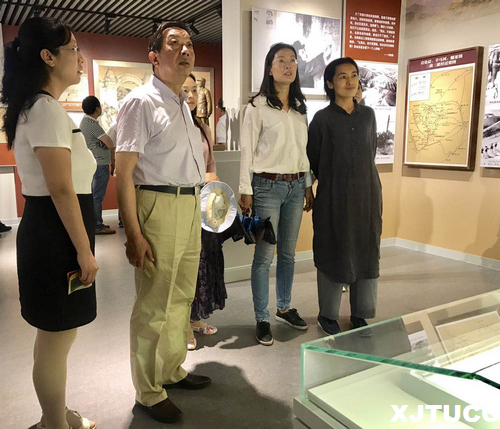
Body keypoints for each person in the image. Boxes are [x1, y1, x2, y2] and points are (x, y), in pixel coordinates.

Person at [1, 17, 98, 429]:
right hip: (56, 234)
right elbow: (60, 188)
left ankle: (52, 417)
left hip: (50, 229)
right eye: (74, 49)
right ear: (48, 56)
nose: (80, 58)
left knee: (53, 337)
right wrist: (84, 251)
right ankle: (54, 424)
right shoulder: (44, 109)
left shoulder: (38, 107)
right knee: (56, 339)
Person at [115, 21, 211, 424]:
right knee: (154, 302)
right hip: (157, 204)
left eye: (189, 44)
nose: (185, 50)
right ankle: (148, 392)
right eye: (174, 44)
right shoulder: (141, 102)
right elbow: (123, 172)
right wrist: (133, 233)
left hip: (189, 205)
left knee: (181, 296)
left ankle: (171, 370)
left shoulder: (180, 102)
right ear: (154, 56)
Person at [239, 43, 314, 346]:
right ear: (270, 68)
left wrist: (308, 184)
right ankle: (262, 317)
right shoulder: (257, 107)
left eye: (292, 60)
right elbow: (247, 151)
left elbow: (303, 152)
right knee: (264, 255)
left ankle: (284, 307)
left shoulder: (299, 108)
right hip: (266, 187)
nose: (288, 65)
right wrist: (245, 190)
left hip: (296, 186)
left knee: (288, 254)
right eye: (281, 60)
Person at [307, 57, 382, 336]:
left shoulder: (369, 115)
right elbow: (314, 158)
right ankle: (327, 314)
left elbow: (370, 151)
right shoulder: (321, 119)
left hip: (367, 195)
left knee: (366, 250)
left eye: (354, 75)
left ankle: (360, 313)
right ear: (330, 83)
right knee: (332, 248)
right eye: (342, 76)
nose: (350, 81)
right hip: (333, 196)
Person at [182, 74, 226, 351]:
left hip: (204, 201)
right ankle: (182, 324)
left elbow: (211, 164)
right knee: (186, 264)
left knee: (203, 261)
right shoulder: (172, 125)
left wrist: (214, 187)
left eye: (193, 90)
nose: (190, 95)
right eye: (184, 90)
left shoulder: (202, 127)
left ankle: (194, 316)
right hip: (181, 202)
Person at [80, 95, 116, 235]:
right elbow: (110, 143)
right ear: (96, 109)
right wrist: (106, 144)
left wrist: (104, 143)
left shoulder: (86, 122)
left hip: (94, 163)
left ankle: (95, 223)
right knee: (97, 197)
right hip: (100, 164)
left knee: (94, 196)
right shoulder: (91, 124)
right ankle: (97, 226)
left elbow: (105, 142)